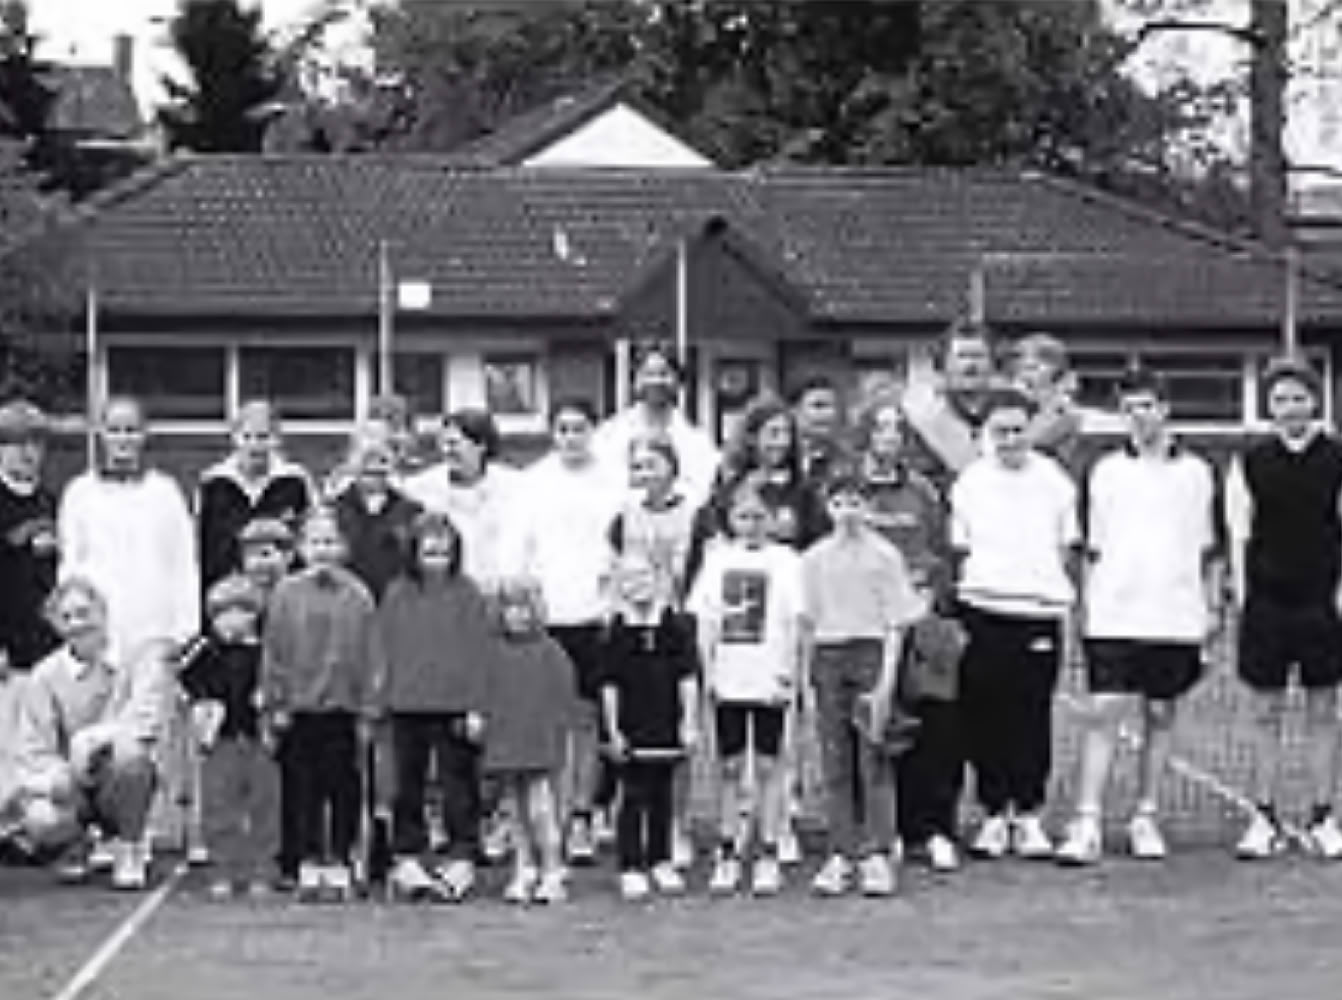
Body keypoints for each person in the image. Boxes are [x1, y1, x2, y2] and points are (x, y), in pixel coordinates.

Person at [1055, 368, 1222, 866]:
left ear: (1165, 409)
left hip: (1175, 613)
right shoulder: (1103, 471)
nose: (1139, 417)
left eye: (1147, 406)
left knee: (1160, 713)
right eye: (1129, 409)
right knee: (1104, 711)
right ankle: (1086, 820)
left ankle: (1145, 816)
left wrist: (1212, 606)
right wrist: (1086, 606)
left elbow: (1210, 551)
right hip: (1114, 613)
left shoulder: (1198, 472)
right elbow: (1090, 549)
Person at [58, 396, 199, 853]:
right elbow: (70, 565)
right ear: (100, 434)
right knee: (94, 740)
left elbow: (183, 563)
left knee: (146, 738)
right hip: (100, 637)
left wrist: (183, 628)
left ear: (145, 434)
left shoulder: (165, 493)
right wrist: (78, 629)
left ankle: (143, 833)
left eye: (131, 430)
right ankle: (100, 835)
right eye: (114, 429)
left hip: (152, 632)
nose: (123, 439)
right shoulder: (79, 494)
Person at [951, 387, 1078, 860]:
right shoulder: (970, 483)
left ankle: (1027, 813)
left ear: (1031, 430)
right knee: (984, 713)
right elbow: (960, 547)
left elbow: (1067, 546)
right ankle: (991, 812)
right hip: (983, 610)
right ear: (985, 434)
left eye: (1017, 430)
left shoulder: (1055, 482)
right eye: (1000, 431)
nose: (1009, 440)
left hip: (1038, 614)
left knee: (1030, 714)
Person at [1226, 356, 1342, 859]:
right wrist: (1244, 598)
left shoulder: (1336, 459)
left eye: (1298, 398)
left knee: (1324, 711)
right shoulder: (1250, 462)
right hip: (1267, 605)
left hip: (1322, 603)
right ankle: (1264, 817)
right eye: (1279, 400)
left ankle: (1323, 816)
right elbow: (1239, 534)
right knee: (1264, 712)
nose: (1290, 407)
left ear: (1315, 401)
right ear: (1268, 406)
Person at [508, 398, 624, 865]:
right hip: (547, 617)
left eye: (579, 428)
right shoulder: (533, 483)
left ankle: (582, 815)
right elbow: (518, 549)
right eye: (563, 428)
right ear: (551, 433)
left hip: (596, 615)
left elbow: (622, 546)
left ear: (593, 430)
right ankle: (544, 815)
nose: (571, 437)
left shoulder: (614, 480)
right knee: (546, 719)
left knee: (588, 721)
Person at [803, 472, 924, 898]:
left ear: (867, 507)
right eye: (839, 504)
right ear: (828, 508)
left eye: (855, 503)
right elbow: (809, 621)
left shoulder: (885, 556)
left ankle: (877, 852)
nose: (847, 512)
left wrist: (885, 683)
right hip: (829, 655)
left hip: (870, 652)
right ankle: (842, 851)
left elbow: (897, 623)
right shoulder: (815, 558)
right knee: (835, 760)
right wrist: (808, 678)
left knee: (873, 759)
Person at [854, 395, 961, 872]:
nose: (889, 437)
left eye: (897, 429)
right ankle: (880, 826)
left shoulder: (923, 492)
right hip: (863, 625)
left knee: (933, 726)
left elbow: (940, 555)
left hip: (919, 626)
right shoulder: (847, 489)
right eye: (880, 428)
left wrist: (927, 597)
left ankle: (931, 828)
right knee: (872, 726)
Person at [689, 476, 805, 897]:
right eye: (743, 516)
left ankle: (769, 848)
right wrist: (707, 673)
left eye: (759, 516)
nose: (752, 524)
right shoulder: (717, 560)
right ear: (731, 519)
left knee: (771, 766)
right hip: (729, 677)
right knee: (730, 767)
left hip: (770, 676)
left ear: (772, 519)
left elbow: (797, 621)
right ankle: (728, 848)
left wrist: (791, 673)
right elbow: (705, 620)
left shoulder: (787, 561)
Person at [260, 509, 380, 902]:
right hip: (299, 709)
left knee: (344, 787)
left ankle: (343, 855)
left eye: (330, 542)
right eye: (315, 542)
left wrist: (369, 709)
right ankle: (305, 857)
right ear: (301, 548)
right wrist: (275, 703)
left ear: (343, 547)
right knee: (301, 789)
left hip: (343, 709)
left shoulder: (359, 595)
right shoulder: (285, 594)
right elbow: (274, 652)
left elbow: (371, 655)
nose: (323, 550)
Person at [9, 578, 160, 889]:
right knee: (41, 819)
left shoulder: (138, 659)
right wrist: (63, 776)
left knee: (131, 757)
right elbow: (35, 751)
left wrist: (95, 738)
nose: (77, 624)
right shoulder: (44, 676)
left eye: (83, 613)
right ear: (55, 625)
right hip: (73, 785)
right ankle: (78, 843)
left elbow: (146, 720)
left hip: (120, 776)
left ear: (102, 613)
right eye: (66, 617)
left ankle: (129, 845)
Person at [376, 512, 495, 902]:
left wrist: (478, 706)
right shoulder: (396, 594)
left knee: (458, 784)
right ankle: (407, 854)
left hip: (455, 706)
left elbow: (480, 653)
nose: (437, 561)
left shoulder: (468, 594)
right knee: (406, 784)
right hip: (406, 704)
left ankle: (462, 855)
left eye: (444, 553)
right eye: (429, 553)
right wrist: (379, 699)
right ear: (414, 553)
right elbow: (383, 648)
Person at [607, 435, 700, 867]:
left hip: (676, 622)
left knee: (674, 734)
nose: (644, 473)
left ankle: (676, 826)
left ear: (672, 467)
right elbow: (614, 565)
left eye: (652, 464)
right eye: (637, 466)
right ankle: (630, 835)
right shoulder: (624, 516)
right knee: (636, 731)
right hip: (634, 621)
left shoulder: (694, 514)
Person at [600, 555, 699, 901]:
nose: (637, 583)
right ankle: (630, 864)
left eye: (643, 575)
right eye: (628, 578)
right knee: (632, 794)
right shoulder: (614, 631)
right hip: (631, 725)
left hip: (666, 724)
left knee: (662, 795)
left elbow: (687, 678)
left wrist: (689, 721)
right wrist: (613, 729)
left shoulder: (675, 627)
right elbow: (609, 684)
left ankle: (661, 859)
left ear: (658, 579)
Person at [179, 574, 279, 898]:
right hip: (219, 740)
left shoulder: (266, 651)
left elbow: (280, 681)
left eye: (242, 611)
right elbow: (182, 675)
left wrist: (270, 700)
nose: (232, 620)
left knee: (264, 805)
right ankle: (223, 867)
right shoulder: (205, 651)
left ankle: (262, 867)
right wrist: (202, 704)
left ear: (255, 615)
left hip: (258, 738)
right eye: (222, 613)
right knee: (220, 807)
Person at [480, 580, 579, 905]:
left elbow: (565, 697)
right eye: (510, 608)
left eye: (524, 608)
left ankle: (552, 866)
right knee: (514, 809)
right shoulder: (492, 652)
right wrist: (478, 716)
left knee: (541, 808)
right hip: (507, 739)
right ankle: (524, 865)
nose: (518, 616)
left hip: (539, 740)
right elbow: (482, 689)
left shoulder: (551, 651)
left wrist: (556, 733)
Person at [197, 400, 314, 593]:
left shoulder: (296, 481)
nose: (254, 445)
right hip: (227, 595)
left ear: (277, 439)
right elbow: (200, 545)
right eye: (247, 436)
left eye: (262, 437)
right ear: (234, 438)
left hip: (284, 594)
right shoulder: (212, 483)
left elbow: (309, 538)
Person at [403, 408, 522, 591]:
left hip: (498, 590)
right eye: (443, 444)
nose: (446, 451)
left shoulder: (514, 486)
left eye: (454, 444)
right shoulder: (420, 488)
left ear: (481, 445)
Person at [593, 341, 720, 507]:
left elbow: (701, 488)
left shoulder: (696, 439)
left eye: (664, 374)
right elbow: (602, 482)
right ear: (635, 381)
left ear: (678, 381)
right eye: (648, 374)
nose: (656, 381)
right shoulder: (610, 433)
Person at [901, 320, 999, 494]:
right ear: (944, 364)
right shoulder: (920, 421)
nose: (970, 365)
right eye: (962, 356)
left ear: (992, 364)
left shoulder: (1013, 413)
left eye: (978, 356)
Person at [0, 400, 60, 675]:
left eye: (35, 443)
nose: (27, 453)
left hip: (50, 652)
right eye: (16, 443)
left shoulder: (52, 503)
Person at [332, 433, 422, 603]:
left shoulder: (410, 511)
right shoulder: (334, 510)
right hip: (345, 603)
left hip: (396, 603)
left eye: (381, 463)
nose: (374, 470)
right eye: (367, 467)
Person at [1009, 333, 1084, 471]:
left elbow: (1032, 442)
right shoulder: (1019, 406)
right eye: (1020, 370)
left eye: (1032, 368)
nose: (1024, 376)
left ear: (1055, 371)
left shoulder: (1063, 410)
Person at [791, 375, 850, 483]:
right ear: (795, 412)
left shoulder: (849, 465)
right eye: (818, 405)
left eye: (835, 406)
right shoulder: (779, 458)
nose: (830, 413)